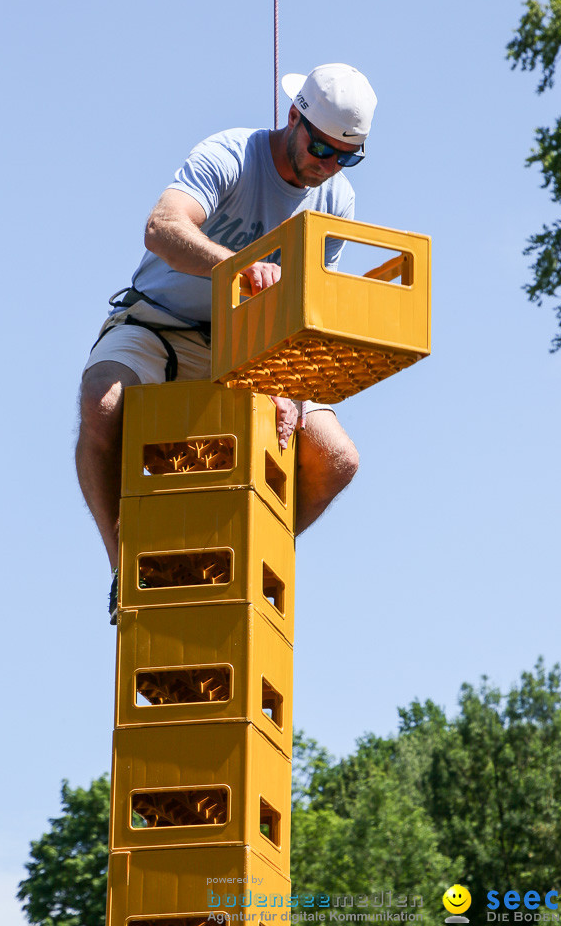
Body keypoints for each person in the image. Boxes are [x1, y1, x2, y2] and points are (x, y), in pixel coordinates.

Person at [75, 62, 377, 621]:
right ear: (294, 118)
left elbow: (305, 311)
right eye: (321, 148)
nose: (328, 165)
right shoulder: (232, 154)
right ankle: (127, 570)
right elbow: (162, 227)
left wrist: (290, 383)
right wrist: (236, 267)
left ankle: (236, 565)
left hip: (251, 350)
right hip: (160, 324)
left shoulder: (336, 201)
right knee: (103, 404)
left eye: (346, 157)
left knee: (337, 460)